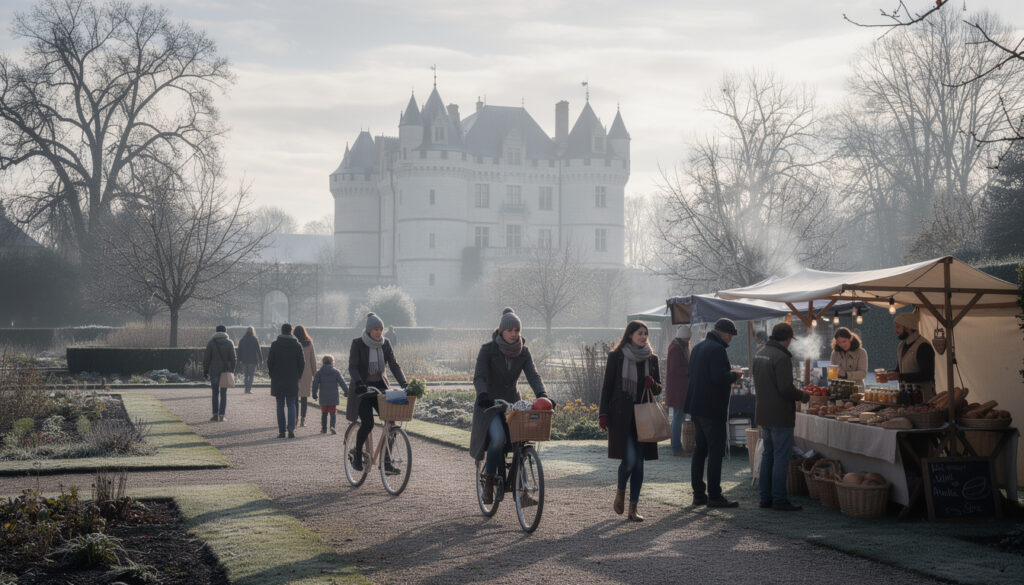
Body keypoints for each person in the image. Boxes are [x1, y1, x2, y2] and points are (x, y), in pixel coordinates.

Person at [470, 307, 552, 507]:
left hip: (511, 404)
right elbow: (479, 376)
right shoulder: (487, 350)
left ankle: (523, 492)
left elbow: (533, 375)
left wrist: (542, 395)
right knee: (498, 438)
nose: (514, 334)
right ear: (501, 331)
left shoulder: (523, 351)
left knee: (519, 442)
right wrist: (482, 394)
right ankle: (489, 484)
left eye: (517, 330)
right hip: (489, 405)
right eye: (510, 330)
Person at [598, 320, 661, 522]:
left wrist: (652, 384)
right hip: (620, 416)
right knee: (631, 459)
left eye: (645, 333)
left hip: (643, 417)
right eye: (640, 333)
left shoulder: (652, 358)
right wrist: (603, 413)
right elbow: (607, 387)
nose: (643, 336)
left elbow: (659, 389)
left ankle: (633, 509)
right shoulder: (616, 356)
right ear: (630, 335)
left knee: (639, 464)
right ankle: (620, 492)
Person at [685, 318, 743, 508]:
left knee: (699, 451)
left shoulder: (698, 347)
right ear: (725, 334)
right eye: (731, 336)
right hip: (711, 409)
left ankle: (699, 495)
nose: (731, 340)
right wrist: (735, 375)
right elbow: (719, 378)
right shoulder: (718, 350)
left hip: (696, 406)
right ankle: (715, 496)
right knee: (715, 453)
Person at [753, 323, 810, 511]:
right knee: (781, 457)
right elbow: (785, 388)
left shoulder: (760, 352)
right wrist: (802, 395)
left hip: (763, 412)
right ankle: (779, 499)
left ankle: (765, 497)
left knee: (768, 455)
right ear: (787, 339)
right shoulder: (781, 357)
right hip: (780, 414)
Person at [348, 312, 407, 473]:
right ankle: (358, 454)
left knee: (391, 422)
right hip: (362, 389)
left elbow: (394, 365)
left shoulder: (385, 343)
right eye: (375, 329)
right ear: (368, 330)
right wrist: (359, 382)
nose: (379, 332)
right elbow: (353, 366)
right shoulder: (358, 343)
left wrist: (404, 383)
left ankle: (387, 463)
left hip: (380, 388)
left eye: (381, 329)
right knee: (368, 423)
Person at [267, 323, 304, 438]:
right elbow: (302, 363)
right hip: (292, 378)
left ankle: (282, 431)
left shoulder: (275, 344)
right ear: (291, 331)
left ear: (281, 331)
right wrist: (298, 375)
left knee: (280, 405)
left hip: (278, 378)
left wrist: (272, 374)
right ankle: (291, 428)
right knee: (292, 404)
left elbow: (270, 362)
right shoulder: (297, 345)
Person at [890, 311, 936, 401]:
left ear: (908, 328)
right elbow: (900, 369)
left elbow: (927, 375)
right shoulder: (901, 346)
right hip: (907, 396)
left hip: (924, 398)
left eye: (898, 327)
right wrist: (890, 374)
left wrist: (900, 376)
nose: (896, 331)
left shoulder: (923, 346)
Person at [665, 324, 691, 456]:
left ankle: (676, 446)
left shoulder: (676, 346)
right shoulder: (676, 348)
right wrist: (690, 371)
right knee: (677, 418)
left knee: (677, 418)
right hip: (678, 390)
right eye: (688, 338)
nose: (689, 340)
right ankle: (676, 447)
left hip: (679, 389)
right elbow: (675, 368)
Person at [202, 325, 236, 422]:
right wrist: (232, 370)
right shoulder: (229, 342)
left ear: (216, 332)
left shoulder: (211, 342)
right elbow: (234, 358)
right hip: (225, 370)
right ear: (225, 332)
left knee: (215, 393)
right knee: (224, 394)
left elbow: (206, 358)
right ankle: (222, 415)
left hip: (214, 371)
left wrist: (205, 370)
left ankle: (215, 415)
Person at [312, 355, 347, 435]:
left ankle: (324, 429)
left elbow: (315, 384)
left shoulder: (319, 372)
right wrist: (346, 391)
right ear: (332, 362)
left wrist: (314, 394)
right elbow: (342, 382)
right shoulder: (336, 372)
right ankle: (332, 426)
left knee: (324, 413)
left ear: (322, 362)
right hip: (333, 396)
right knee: (333, 412)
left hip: (323, 396)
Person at [294, 325, 317, 428]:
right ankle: (303, 418)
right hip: (306, 373)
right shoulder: (309, 344)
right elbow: (313, 361)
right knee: (304, 399)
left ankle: (295, 418)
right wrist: (315, 375)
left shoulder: (294, 344)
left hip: (295, 372)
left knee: (294, 397)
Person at [237, 326, 263, 394]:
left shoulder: (242, 339)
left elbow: (239, 350)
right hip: (253, 360)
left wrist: (239, 359)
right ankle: (249, 389)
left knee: (246, 374)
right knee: (251, 375)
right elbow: (258, 350)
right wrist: (261, 359)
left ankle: (246, 388)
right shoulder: (254, 339)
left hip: (244, 360)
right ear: (253, 331)